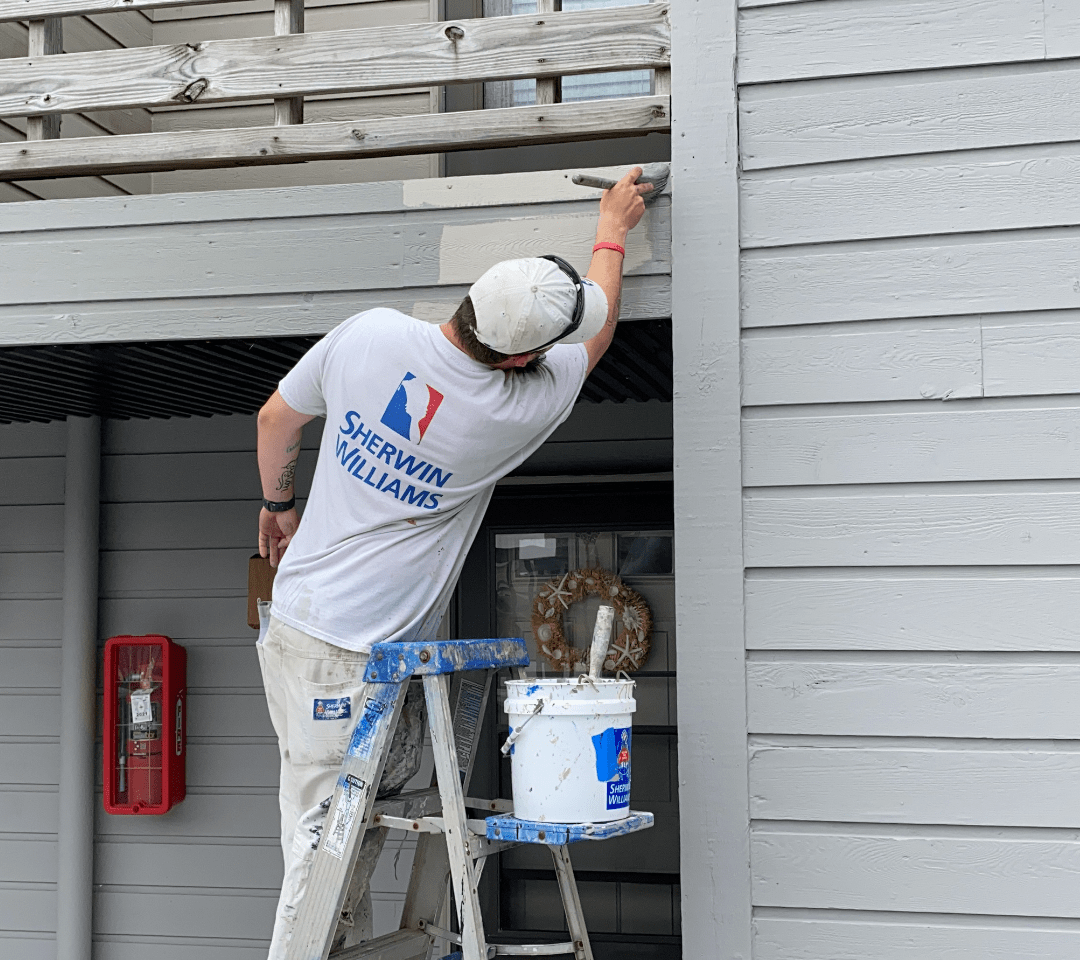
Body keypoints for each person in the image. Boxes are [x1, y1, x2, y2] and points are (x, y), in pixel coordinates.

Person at [255, 166, 652, 958]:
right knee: (321, 850)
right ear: (517, 360)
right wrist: (613, 228)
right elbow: (599, 334)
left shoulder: (368, 333)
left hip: (309, 626)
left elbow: (276, 417)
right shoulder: (515, 407)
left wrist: (278, 507)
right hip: (346, 652)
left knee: (342, 837)